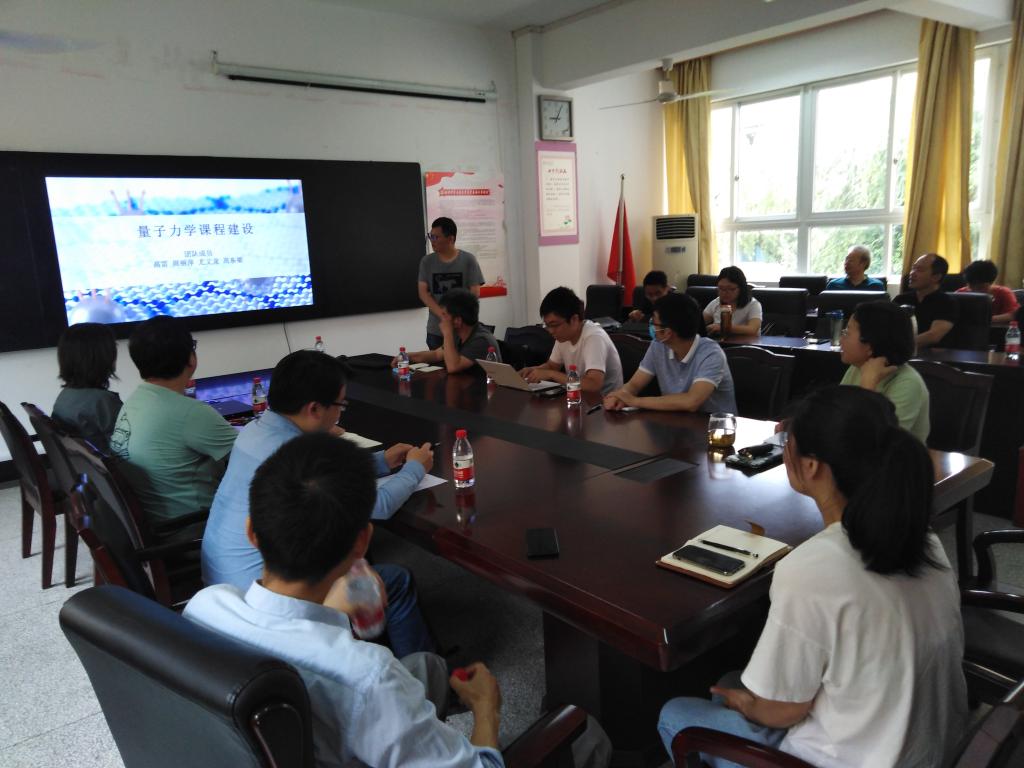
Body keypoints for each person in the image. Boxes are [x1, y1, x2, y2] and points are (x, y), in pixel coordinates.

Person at [657, 386, 966, 768]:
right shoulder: (922, 538)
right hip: (932, 749)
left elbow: (780, 712)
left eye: (787, 441)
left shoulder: (813, 567)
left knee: (676, 712)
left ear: (812, 466)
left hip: (856, 759)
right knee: (733, 680)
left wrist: (747, 705)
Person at [186, 433, 504, 768]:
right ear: (362, 542)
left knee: (427, 666)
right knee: (425, 673)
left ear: (251, 531)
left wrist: (329, 614)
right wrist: (486, 709)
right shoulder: (370, 677)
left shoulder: (205, 606)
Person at [200, 350, 436, 657]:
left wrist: (381, 461)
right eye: (340, 405)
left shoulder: (255, 431)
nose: (339, 415)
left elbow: (324, 479)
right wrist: (415, 468)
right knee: (396, 580)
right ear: (314, 408)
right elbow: (377, 506)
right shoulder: (294, 450)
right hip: (268, 598)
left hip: (222, 586)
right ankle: (422, 675)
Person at [109, 316, 237, 529]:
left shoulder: (134, 400)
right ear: (191, 359)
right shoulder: (192, 413)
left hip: (155, 522)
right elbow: (254, 458)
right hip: (194, 526)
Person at [605, 293, 736, 413]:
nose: (651, 326)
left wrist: (634, 401)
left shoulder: (711, 354)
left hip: (715, 427)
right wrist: (619, 397)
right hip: (676, 423)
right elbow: (633, 385)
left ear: (667, 333)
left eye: (653, 322)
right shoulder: (658, 346)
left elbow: (691, 402)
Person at [839, 302, 929, 442]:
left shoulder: (907, 383)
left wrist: (868, 385)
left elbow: (878, 443)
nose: (840, 340)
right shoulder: (857, 368)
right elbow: (837, 420)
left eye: (847, 333)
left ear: (870, 344)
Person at [520, 287, 624, 395]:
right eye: (547, 325)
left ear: (574, 319)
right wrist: (532, 371)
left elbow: (593, 385)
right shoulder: (563, 337)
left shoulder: (594, 337)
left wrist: (550, 374)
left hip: (605, 401)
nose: (550, 331)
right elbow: (552, 366)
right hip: (579, 397)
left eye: (554, 325)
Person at [51, 322, 122, 452]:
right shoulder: (103, 402)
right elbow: (128, 449)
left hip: (85, 463)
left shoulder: (65, 395)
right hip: (110, 463)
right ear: (102, 356)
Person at [419, 217, 484, 350]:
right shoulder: (427, 261)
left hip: (463, 330)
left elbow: (474, 293)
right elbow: (423, 292)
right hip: (436, 330)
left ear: (450, 239)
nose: (432, 240)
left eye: (436, 237)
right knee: (437, 362)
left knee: (461, 363)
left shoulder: (468, 260)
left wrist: (458, 317)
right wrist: (444, 315)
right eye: (430, 236)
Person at [403, 288, 501, 373]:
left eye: (444, 315)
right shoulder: (458, 334)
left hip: (483, 388)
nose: (441, 318)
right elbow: (436, 355)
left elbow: (453, 367)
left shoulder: (481, 340)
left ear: (457, 321)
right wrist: (407, 356)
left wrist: (447, 333)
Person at [893, 253, 958, 349]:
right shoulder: (901, 299)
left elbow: (933, 336)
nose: (912, 273)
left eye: (919, 270)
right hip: (901, 353)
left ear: (936, 277)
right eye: (913, 268)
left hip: (932, 355)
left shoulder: (947, 302)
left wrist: (898, 345)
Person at [703, 267, 762, 336]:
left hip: (746, 342)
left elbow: (752, 329)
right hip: (720, 341)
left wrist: (723, 328)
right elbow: (699, 322)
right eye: (721, 288)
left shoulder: (753, 304)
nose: (725, 293)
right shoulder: (716, 302)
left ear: (741, 288)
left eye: (731, 289)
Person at [958, 259, 1020, 323]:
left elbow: (1012, 315)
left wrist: (979, 320)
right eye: (971, 286)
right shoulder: (961, 293)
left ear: (991, 282)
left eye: (980, 287)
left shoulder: (1004, 293)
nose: (975, 290)